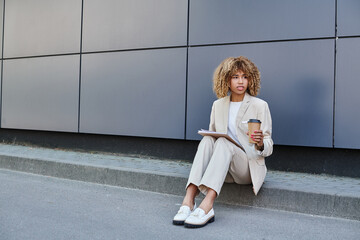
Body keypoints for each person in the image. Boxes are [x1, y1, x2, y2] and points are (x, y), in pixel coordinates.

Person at [172, 56, 273, 228]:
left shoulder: (260, 105)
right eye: (235, 77)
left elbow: (269, 144)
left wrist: (261, 144)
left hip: (246, 168)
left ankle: (207, 205)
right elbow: (213, 136)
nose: (241, 81)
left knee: (224, 143)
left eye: (245, 76)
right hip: (223, 168)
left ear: (251, 79)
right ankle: (188, 201)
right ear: (226, 79)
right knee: (207, 140)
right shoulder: (217, 105)